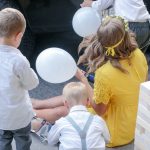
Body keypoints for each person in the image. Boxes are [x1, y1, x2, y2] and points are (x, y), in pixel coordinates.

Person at [75, 16, 148, 147]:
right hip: (133, 122)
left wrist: (83, 80)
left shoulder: (105, 73)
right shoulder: (138, 54)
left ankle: (34, 116)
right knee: (73, 96)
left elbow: (100, 110)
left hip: (114, 132)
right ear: (126, 35)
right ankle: (35, 107)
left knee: (70, 105)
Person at [0, 8, 39, 150]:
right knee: (23, 140)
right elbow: (31, 84)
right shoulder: (19, 61)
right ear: (18, 36)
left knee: (3, 141)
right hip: (19, 116)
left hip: (1, 116)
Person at [48, 82, 110, 150]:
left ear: (65, 103)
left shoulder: (61, 123)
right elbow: (107, 140)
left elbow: (51, 142)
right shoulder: (99, 120)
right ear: (88, 101)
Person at [80, 0, 150, 53]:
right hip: (145, 26)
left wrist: (90, 4)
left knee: (124, 60)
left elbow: (102, 3)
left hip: (130, 26)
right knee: (136, 59)